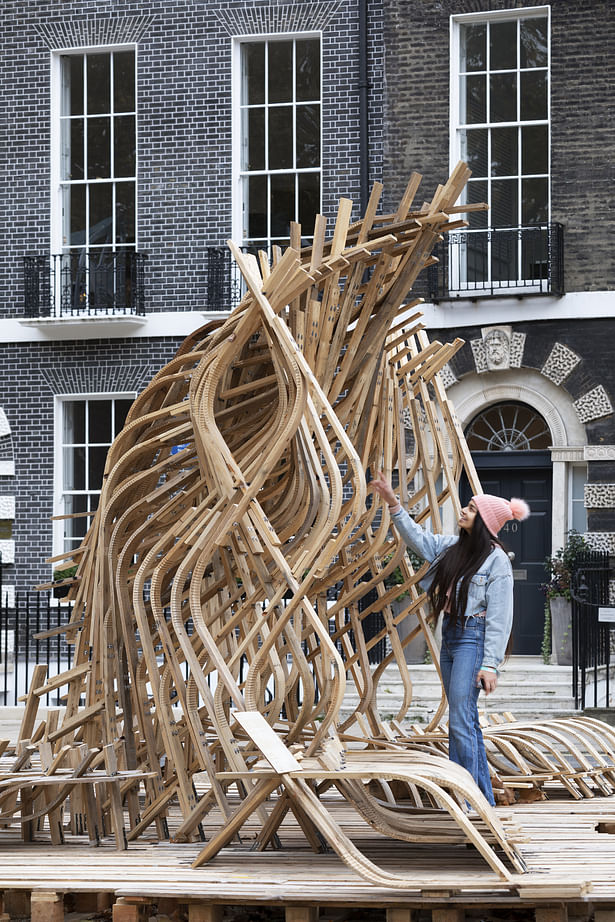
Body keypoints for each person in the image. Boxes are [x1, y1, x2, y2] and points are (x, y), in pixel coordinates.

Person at [370, 471, 530, 804]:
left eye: (471, 508)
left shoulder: (496, 562)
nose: (464, 511)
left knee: (461, 717)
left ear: (484, 521)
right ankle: (475, 799)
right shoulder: (453, 549)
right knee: (462, 718)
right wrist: (392, 501)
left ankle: (470, 801)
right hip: (452, 635)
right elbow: (419, 539)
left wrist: (491, 666)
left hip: (474, 637)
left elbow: (501, 617)